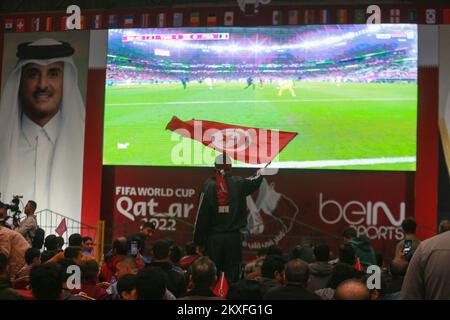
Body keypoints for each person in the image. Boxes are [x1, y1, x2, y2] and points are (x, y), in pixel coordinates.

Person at [0, 38, 86, 222]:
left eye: (53, 73)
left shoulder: (85, 144)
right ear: (20, 80)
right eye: (33, 74)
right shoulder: (3, 141)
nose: (42, 85)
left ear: (66, 80)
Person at [193, 154, 263, 283]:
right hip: (233, 239)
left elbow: (201, 216)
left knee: (212, 275)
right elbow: (254, 182)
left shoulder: (208, 186)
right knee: (232, 276)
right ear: (230, 167)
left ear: (215, 167)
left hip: (214, 240)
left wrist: (198, 241)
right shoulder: (239, 183)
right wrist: (262, 170)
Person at [400, 231, 450, 299]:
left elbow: (403, 258)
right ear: (416, 229)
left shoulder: (408, 243)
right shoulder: (419, 242)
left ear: (403, 229)